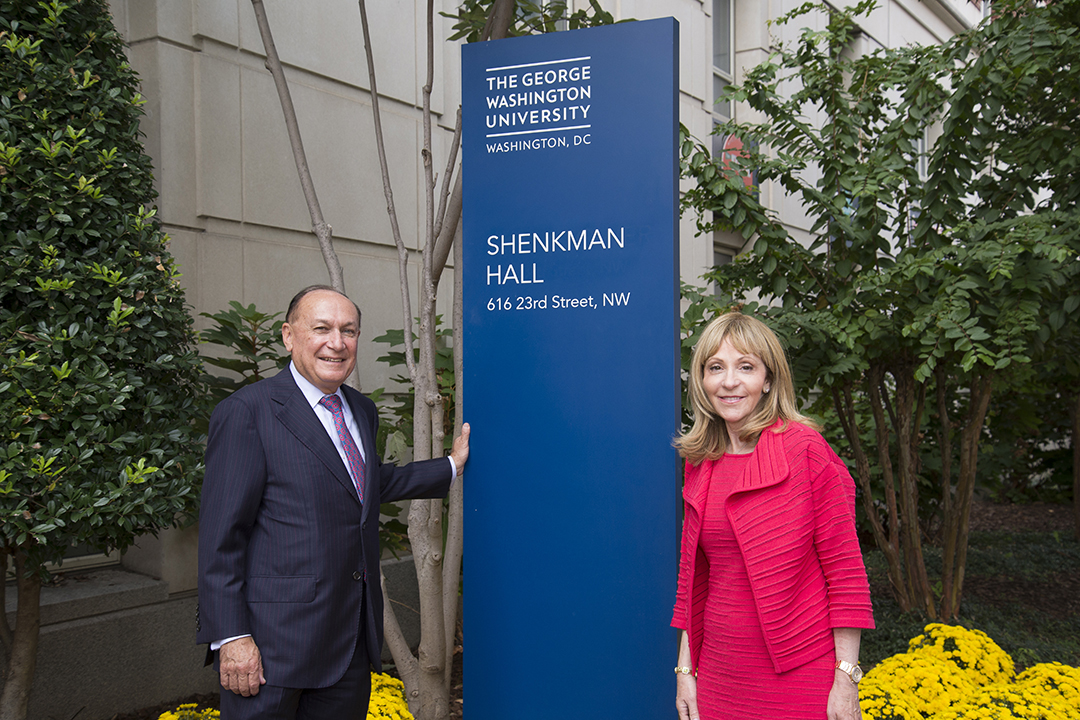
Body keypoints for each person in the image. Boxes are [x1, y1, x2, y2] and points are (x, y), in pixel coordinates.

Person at [196, 285, 470, 720]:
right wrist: (231, 638)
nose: (337, 343)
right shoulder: (248, 412)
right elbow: (221, 539)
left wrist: (451, 466)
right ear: (288, 336)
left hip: (349, 642)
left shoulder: (360, 410)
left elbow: (362, 484)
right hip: (273, 651)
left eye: (349, 330)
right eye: (321, 328)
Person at [671, 313, 873, 720]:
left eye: (746, 367)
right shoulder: (701, 461)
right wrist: (685, 671)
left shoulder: (805, 451)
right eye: (716, 368)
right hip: (720, 673)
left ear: (768, 380)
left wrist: (846, 677)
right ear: (702, 380)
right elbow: (696, 579)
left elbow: (845, 573)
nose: (729, 381)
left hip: (799, 672)